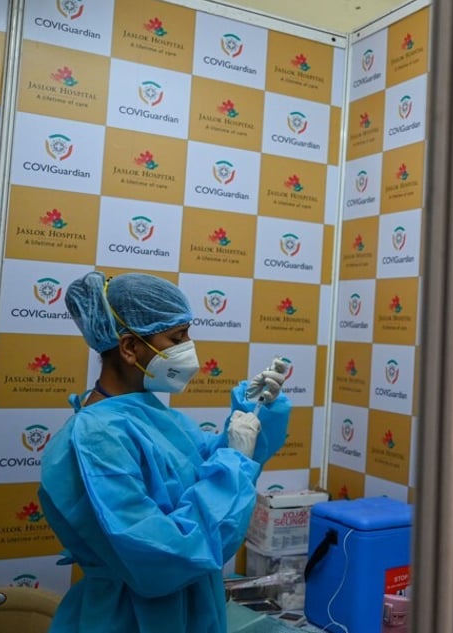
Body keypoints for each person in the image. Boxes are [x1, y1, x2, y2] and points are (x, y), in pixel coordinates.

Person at [38, 271, 292, 633]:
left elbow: (202, 467)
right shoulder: (97, 438)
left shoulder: (148, 413)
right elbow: (164, 555)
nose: (188, 349)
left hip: (190, 609)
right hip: (130, 618)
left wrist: (255, 414)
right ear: (130, 347)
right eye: (177, 337)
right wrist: (235, 462)